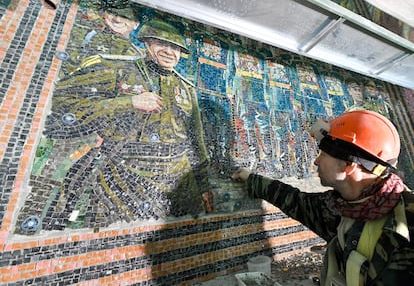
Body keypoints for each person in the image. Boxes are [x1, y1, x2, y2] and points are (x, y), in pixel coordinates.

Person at [17, 19, 212, 232]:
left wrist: (204, 186)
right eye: (160, 43)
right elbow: (64, 102)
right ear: (147, 43)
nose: (168, 51)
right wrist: (128, 102)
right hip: (122, 176)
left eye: (175, 47)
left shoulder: (186, 89)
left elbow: (196, 141)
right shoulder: (118, 69)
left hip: (177, 180)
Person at [232, 110, 414, 285]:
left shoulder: (406, 227)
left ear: (348, 165)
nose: (316, 161)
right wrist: (251, 179)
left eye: (324, 154)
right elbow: (295, 201)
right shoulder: (340, 207)